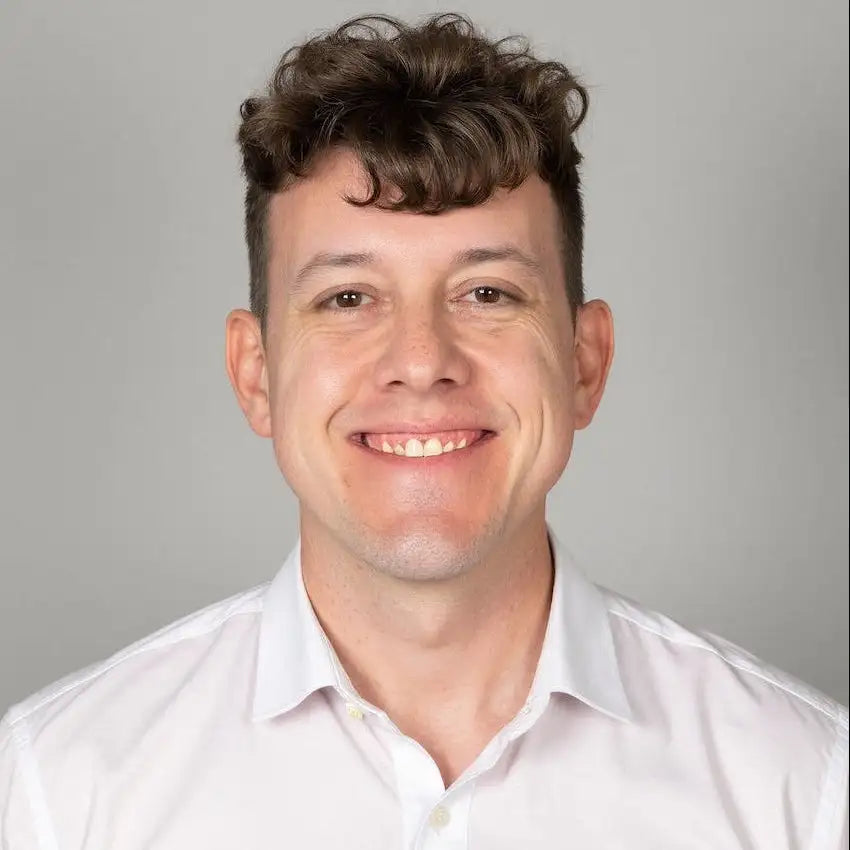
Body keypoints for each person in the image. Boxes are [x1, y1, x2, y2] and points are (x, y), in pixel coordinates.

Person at [1, 12, 846, 849]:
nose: (420, 360)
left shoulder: (806, 790)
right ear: (255, 373)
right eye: (347, 298)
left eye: (487, 294)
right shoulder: (56, 791)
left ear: (584, 363)